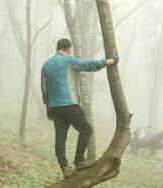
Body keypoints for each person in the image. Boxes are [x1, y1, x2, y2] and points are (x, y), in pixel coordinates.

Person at [41, 39, 119, 179]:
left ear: (58, 48)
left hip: (54, 107)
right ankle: (79, 161)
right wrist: (110, 62)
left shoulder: (46, 65)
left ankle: (64, 167)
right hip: (69, 103)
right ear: (68, 49)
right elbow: (88, 65)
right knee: (86, 130)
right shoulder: (68, 60)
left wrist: (48, 106)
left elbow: (44, 89)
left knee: (60, 138)